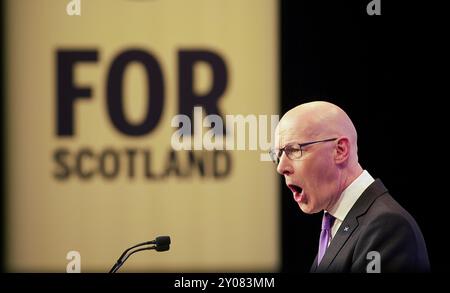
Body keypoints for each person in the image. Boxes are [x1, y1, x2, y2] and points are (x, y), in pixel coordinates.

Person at [270, 101, 430, 273]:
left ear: (340, 150)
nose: (281, 167)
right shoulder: (335, 222)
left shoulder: (387, 227)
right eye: (278, 155)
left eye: (293, 150)